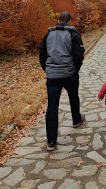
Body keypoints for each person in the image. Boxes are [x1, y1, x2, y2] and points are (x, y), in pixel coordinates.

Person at [39, 11, 85, 151]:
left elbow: (42, 54)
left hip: (53, 76)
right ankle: (76, 119)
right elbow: (79, 55)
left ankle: (51, 141)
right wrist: (75, 69)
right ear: (69, 21)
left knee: (52, 106)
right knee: (73, 96)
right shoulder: (73, 34)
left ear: (58, 21)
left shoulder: (48, 35)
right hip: (69, 73)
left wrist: (47, 69)